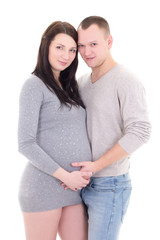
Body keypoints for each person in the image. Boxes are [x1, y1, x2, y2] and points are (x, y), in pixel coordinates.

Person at [71, 16, 151, 240]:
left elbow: (141, 131)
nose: (87, 52)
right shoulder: (82, 82)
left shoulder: (126, 79)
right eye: (81, 46)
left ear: (109, 42)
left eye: (94, 44)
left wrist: (96, 166)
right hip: (82, 182)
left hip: (110, 185)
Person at [18, 21, 92, 240]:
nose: (66, 55)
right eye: (59, 47)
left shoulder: (70, 88)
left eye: (71, 50)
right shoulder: (34, 85)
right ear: (46, 46)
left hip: (74, 189)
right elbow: (25, 143)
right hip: (43, 187)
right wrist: (66, 176)